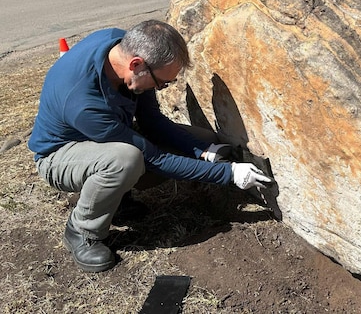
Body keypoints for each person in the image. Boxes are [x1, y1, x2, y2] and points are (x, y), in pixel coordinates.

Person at [27, 20, 271, 273]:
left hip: (105, 139)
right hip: (60, 156)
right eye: (161, 82)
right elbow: (155, 158)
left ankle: (116, 199)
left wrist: (204, 150)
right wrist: (229, 174)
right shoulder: (82, 101)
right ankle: (82, 231)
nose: (160, 88)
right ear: (136, 65)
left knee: (199, 137)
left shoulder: (122, 46)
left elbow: (152, 122)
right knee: (126, 160)